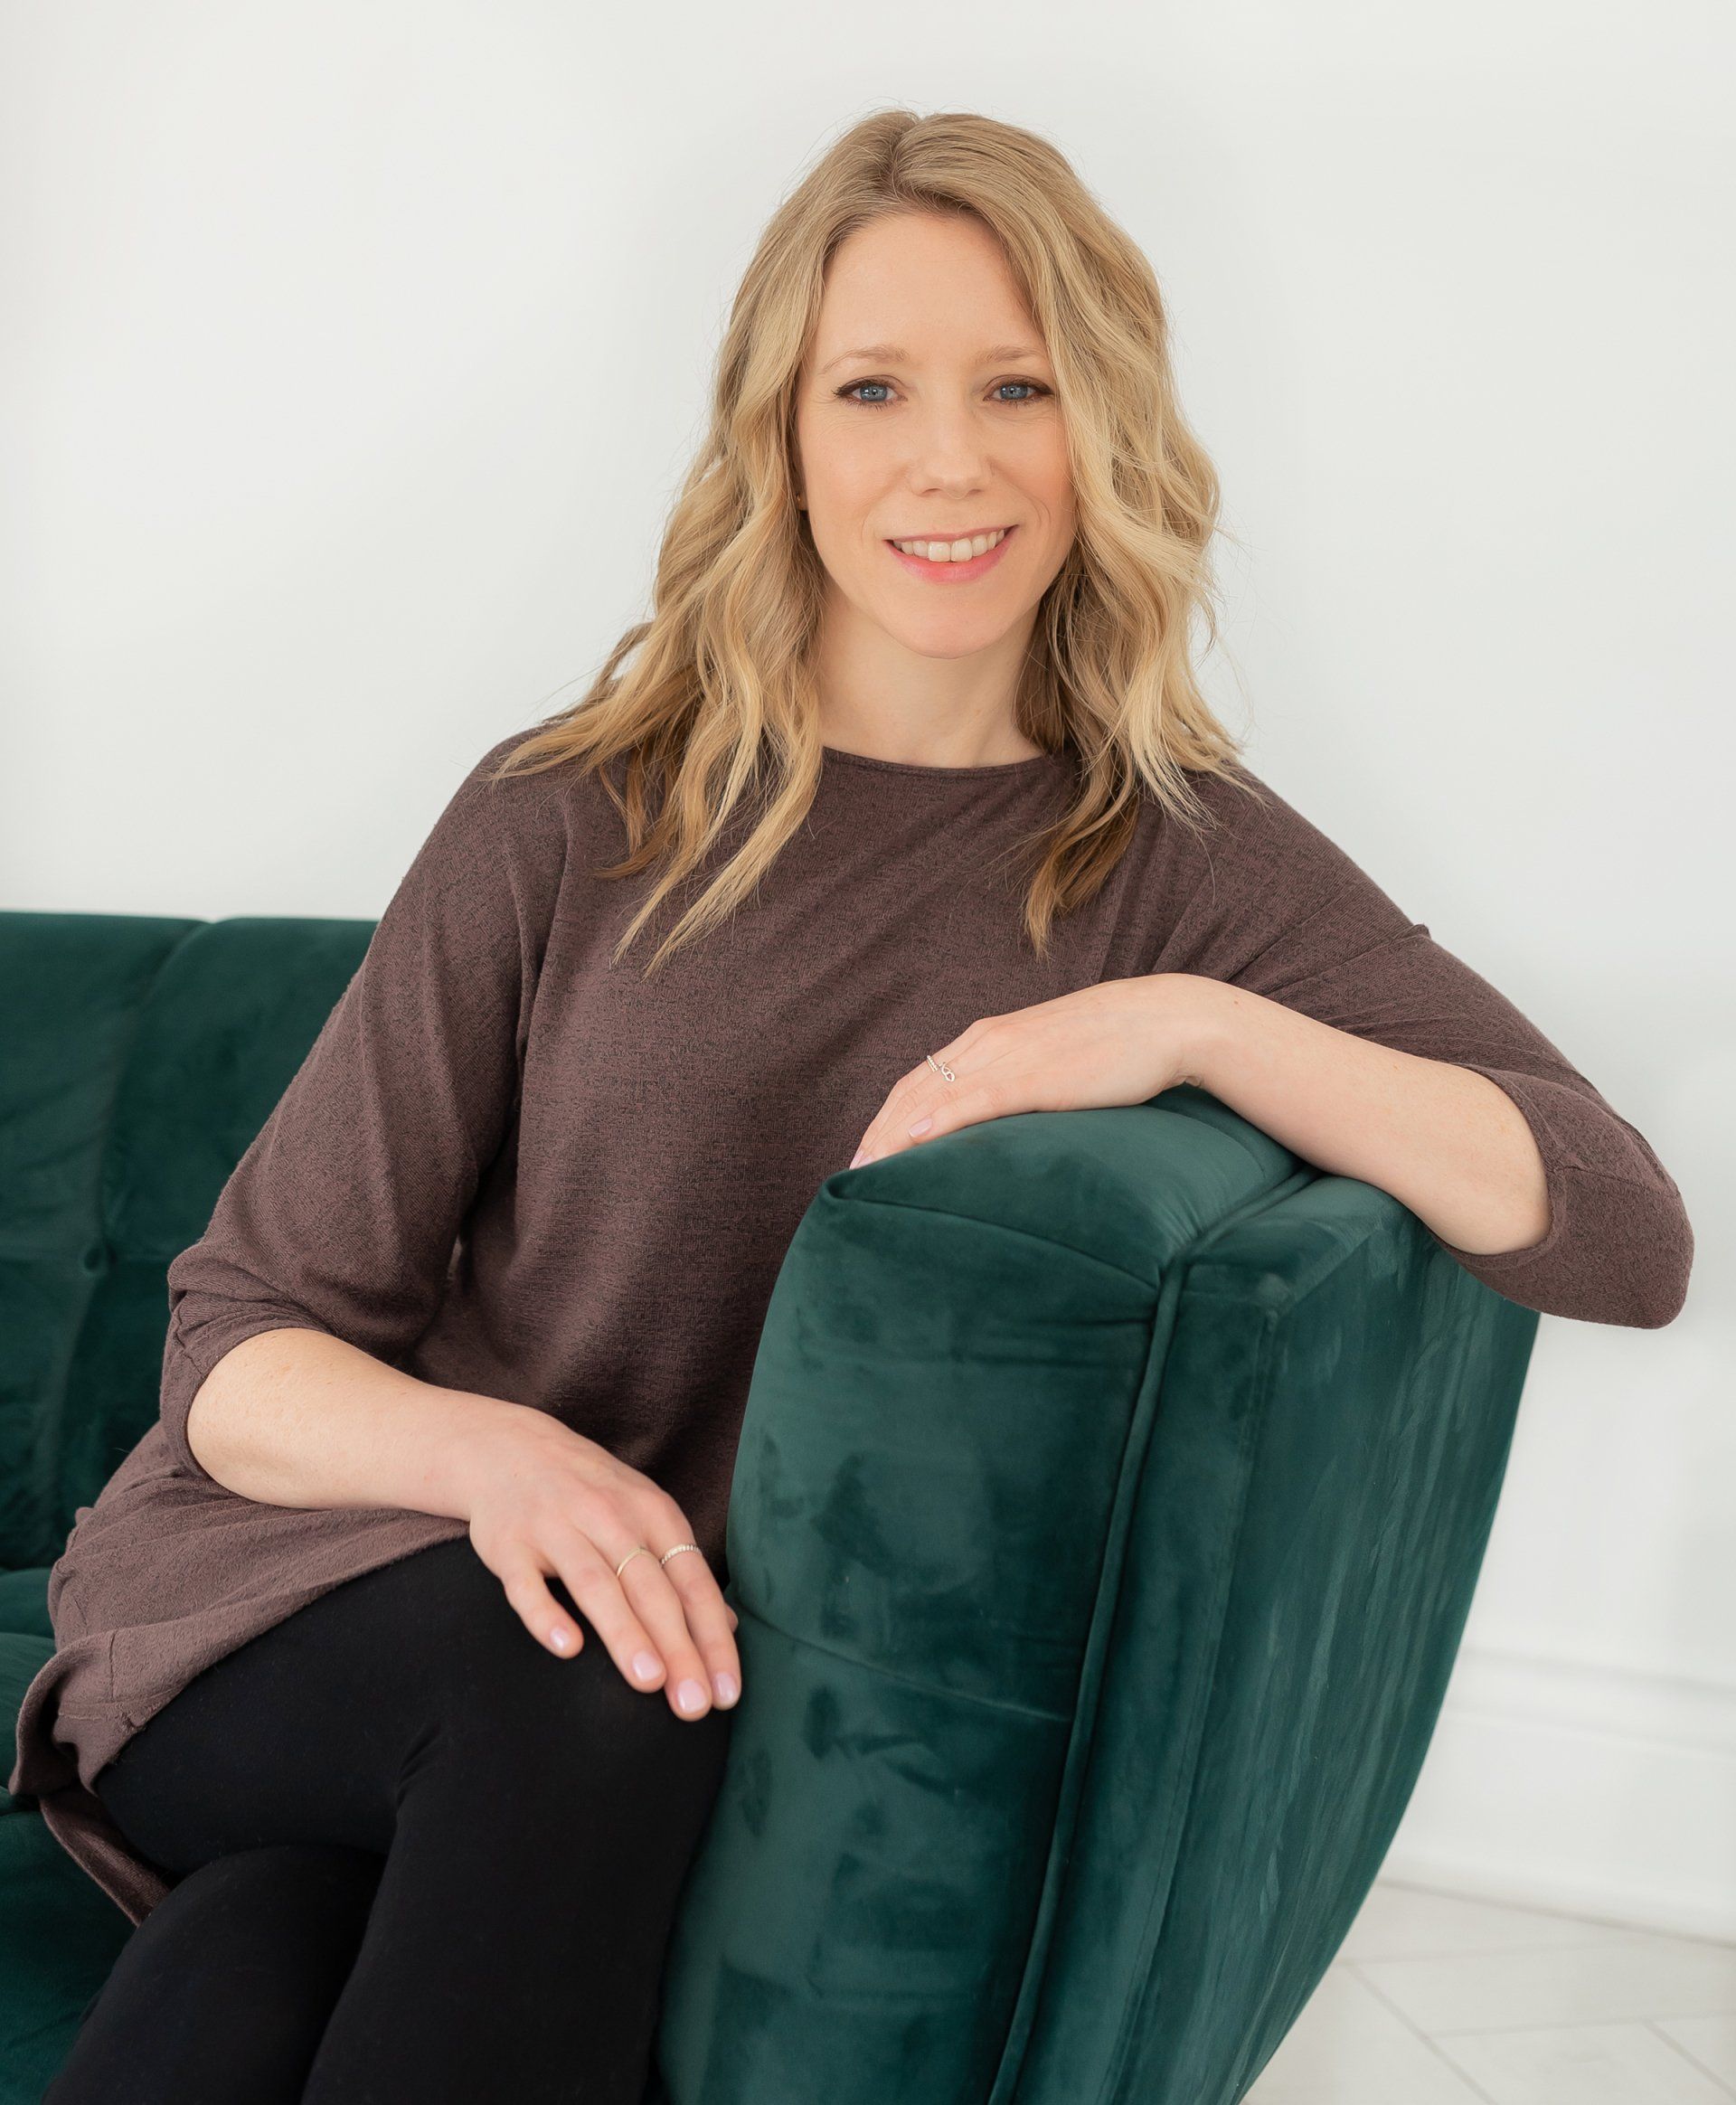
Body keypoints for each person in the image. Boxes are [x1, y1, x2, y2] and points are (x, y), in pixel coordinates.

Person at [12, 105, 1693, 2103]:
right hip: (314, 1594)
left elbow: (1622, 1230)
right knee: (590, 1687)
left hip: (635, 1693)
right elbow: (241, 1344)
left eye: (1018, 386)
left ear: (1105, 429)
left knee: (269, 1943)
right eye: (873, 387)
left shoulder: (1184, 867)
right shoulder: (573, 810)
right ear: (780, 436)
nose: (949, 460)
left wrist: (1202, 1026)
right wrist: (506, 1469)